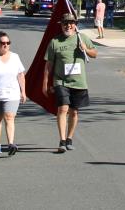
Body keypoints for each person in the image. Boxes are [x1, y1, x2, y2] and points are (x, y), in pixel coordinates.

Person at [44, 13, 97, 153]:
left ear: (75, 25)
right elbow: (48, 64)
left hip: (78, 82)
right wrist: (45, 83)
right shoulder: (55, 41)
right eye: (65, 23)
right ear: (61, 25)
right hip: (61, 81)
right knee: (62, 109)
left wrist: (85, 49)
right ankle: (62, 141)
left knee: (74, 112)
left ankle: (69, 139)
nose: (68, 26)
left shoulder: (82, 38)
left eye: (71, 23)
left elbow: (95, 54)